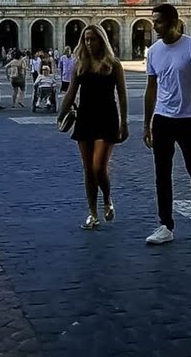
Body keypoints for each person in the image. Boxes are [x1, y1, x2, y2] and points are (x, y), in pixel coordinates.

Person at [143, 3, 191, 245]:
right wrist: (146, 124)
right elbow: (151, 88)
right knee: (162, 173)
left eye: (159, 22)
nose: (155, 27)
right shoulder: (153, 52)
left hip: (189, 118)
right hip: (163, 119)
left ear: (173, 22)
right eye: (153, 22)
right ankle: (165, 225)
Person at [59, 24, 129, 230]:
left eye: (93, 39)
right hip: (85, 117)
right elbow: (71, 92)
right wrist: (61, 115)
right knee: (88, 169)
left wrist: (124, 123)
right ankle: (92, 213)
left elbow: (123, 96)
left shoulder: (113, 65)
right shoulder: (80, 64)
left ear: (101, 40)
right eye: (86, 39)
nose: (89, 43)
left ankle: (107, 199)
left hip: (107, 117)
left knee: (99, 167)